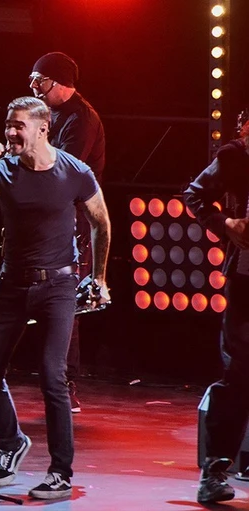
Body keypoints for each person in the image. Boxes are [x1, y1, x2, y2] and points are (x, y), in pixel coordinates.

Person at [0, 96, 110, 499]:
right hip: (11, 284)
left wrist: (99, 277)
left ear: (43, 128)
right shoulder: (2, 170)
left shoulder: (74, 172)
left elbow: (101, 222)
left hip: (58, 286)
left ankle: (61, 472)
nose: (10, 132)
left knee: (52, 375)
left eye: (19, 126)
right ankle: (11, 442)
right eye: (8, 125)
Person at [0, 52, 106, 414]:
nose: (33, 87)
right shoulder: (49, 114)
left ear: (60, 81)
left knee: (64, 303)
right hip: (36, 220)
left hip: (66, 222)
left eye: (40, 80)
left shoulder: (81, 119)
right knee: (15, 297)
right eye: (31, 80)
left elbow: (60, 171)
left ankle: (66, 385)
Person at [184, 115, 249, 504]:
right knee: (240, 373)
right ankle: (215, 470)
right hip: (246, 280)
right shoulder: (234, 157)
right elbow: (194, 194)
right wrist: (225, 223)